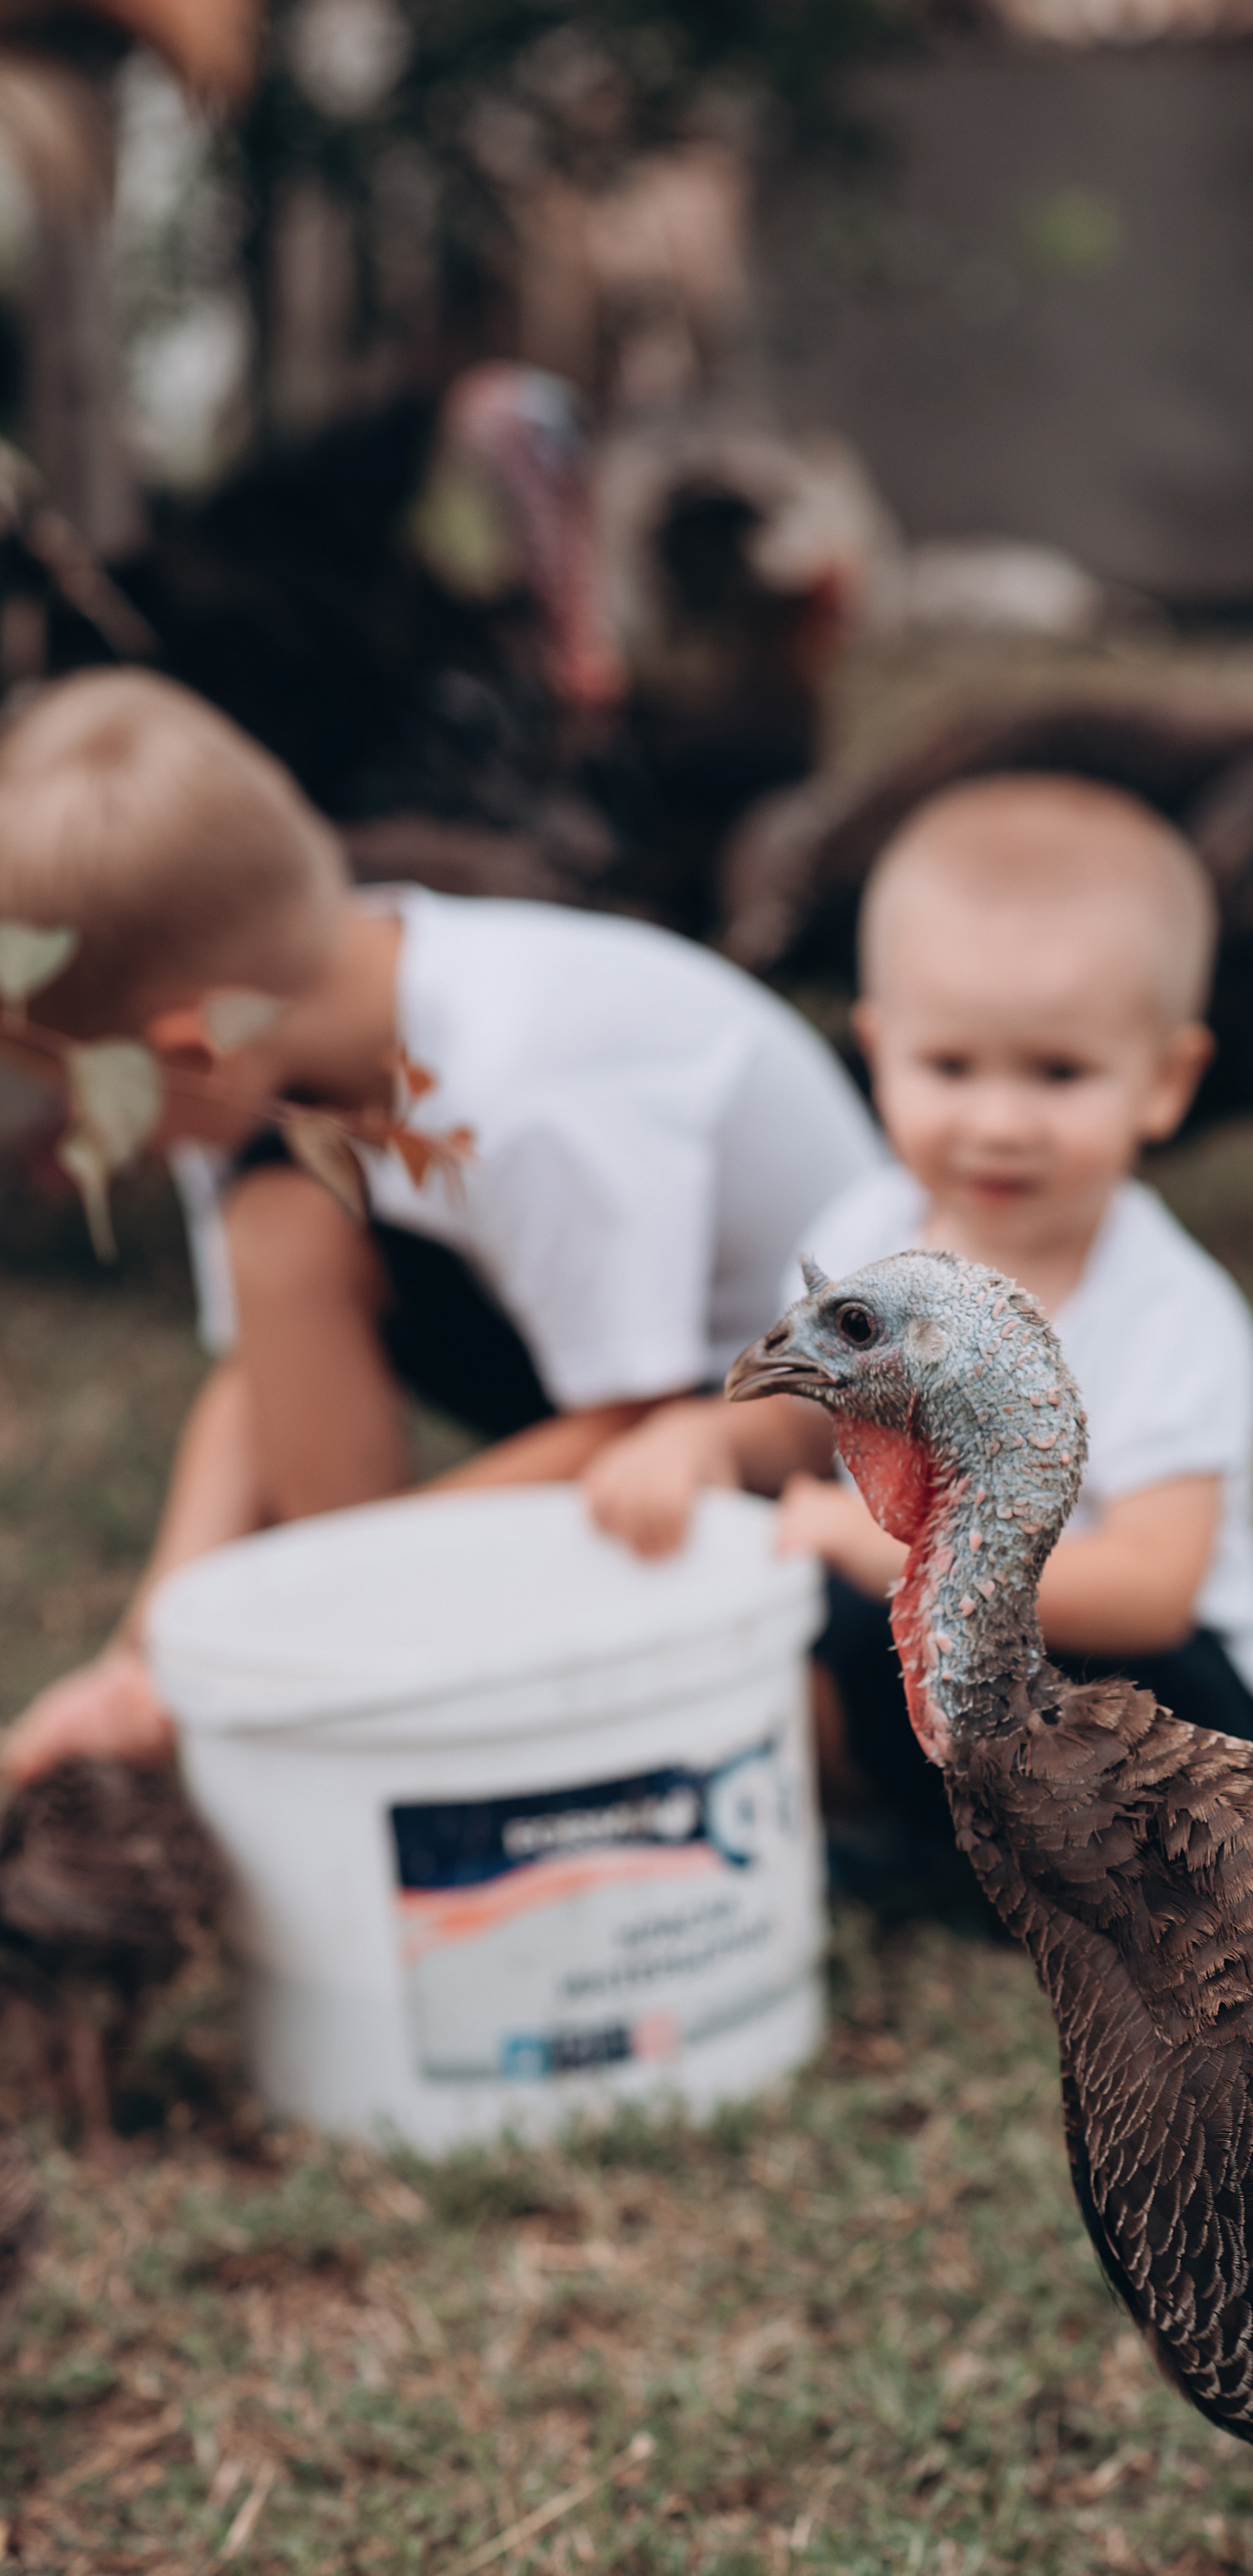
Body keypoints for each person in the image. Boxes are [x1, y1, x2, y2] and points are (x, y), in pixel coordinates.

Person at [0, 669, 879, 1782]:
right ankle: (381, 1680)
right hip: (623, 1373)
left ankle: (397, 1662)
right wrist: (145, 1652)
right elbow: (253, 1387)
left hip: (809, 1425)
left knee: (795, 1725)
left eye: (76, 1098)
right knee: (282, 1229)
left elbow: (641, 1421)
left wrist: (338, 1585)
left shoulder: (523, 1091)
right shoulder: (270, 1051)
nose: (89, 1135)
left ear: (185, 1053)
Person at [587, 773, 1253, 1850]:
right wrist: (703, 1436)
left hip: (1160, 1685)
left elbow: (1155, 1588)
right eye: (949, 1065)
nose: (998, 1121)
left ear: (1166, 1081)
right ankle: (881, 1811)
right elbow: (796, 1416)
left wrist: (882, 1549)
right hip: (965, 1656)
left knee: (885, 1618)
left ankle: (959, 1842)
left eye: (1059, 1072)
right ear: (877, 1052)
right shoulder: (878, 1222)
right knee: (790, 1619)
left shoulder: (1169, 1305)